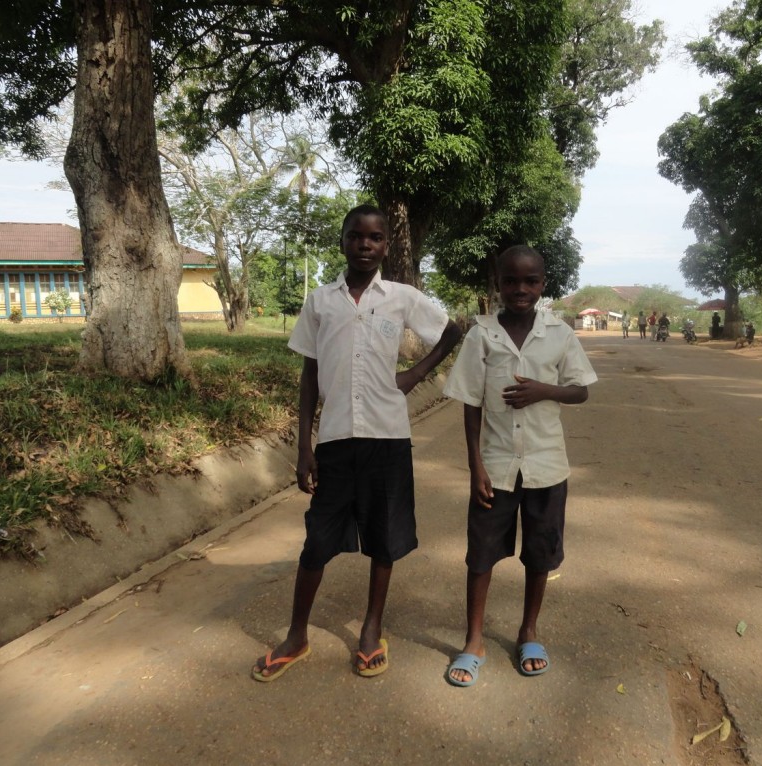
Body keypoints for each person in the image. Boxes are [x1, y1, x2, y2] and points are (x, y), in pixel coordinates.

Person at [251, 205, 462, 682]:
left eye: (376, 238)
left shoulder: (401, 297)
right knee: (316, 541)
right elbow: (309, 375)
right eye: (356, 236)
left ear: (387, 245)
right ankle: (296, 635)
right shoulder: (320, 301)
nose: (365, 244)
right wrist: (304, 446)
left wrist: (416, 373)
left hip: (387, 439)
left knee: (384, 536)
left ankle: (371, 629)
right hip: (335, 441)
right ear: (343, 241)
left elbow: (451, 330)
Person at [441, 245, 597, 687]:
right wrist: (475, 467)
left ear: (543, 284)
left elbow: (581, 391)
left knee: (540, 554)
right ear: (498, 283)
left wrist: (544, 390)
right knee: (481, 553)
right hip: (496, 465)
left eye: (530, 281)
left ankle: (529, 631)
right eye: (511, 281)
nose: (520, 289)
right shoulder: (482, 335)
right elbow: (471, 404)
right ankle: (474, 639)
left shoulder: (560, 334)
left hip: (547, 466)